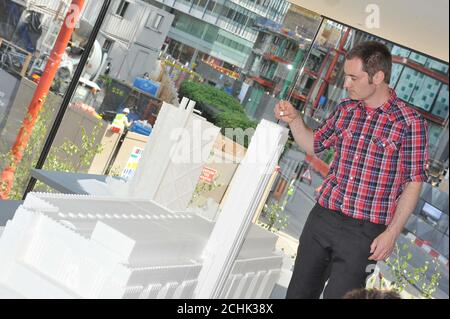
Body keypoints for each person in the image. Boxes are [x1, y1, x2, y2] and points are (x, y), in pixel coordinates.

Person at [274, 41, 429, 299]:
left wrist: (391, 233)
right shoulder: (345, 110)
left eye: (353, 77)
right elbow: (314, 145)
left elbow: (414, 182)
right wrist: (295, 120)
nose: (347, 84)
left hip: (364, 234)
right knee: (298, 293)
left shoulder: (409, 123)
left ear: (378, 77)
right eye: (346, 76)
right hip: (322, 217)